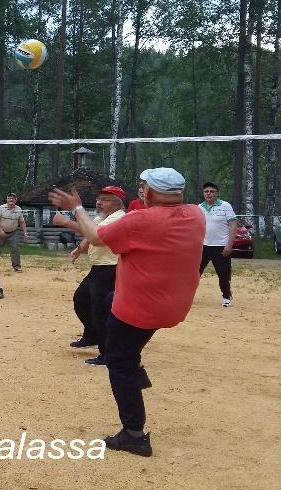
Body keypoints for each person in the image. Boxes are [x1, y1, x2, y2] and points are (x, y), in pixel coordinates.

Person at [48, 167, 205, 457]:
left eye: (144, 186)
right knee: (107, 301)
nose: (140, 191)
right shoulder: (196, 214)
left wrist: (76, 207)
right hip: (173, 305)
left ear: (153, 192)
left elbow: (95, 236)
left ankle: (133, 435)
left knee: (119, 362)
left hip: (139, 309)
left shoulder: (141, 220)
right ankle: (137, 371)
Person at [53, 186, 126, 365]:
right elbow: (90, 231)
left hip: (112, 268)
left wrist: (66, 221)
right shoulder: (102, 217)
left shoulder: (119, 218)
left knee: (100, 310)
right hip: (98, 267)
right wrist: (79, 249)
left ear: (117, 203)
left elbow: (98, 235)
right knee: (81, 299)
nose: (99, 202)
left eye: (105, 199)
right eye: (98, 198)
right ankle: (91, 335)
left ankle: (107, 353)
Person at [198, 182, 238, 307]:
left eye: (212, 191)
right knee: (194, 273)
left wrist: (229, 245)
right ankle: (187, 296)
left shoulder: (225, 206)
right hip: (203, 246)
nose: (209, 193)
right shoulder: (199, 207)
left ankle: (227, 296)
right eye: (206, 191)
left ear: (217, 193)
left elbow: (233, 226)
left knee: (223, 274)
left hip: (220, 246)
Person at [0, 193, 29, 272]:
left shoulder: (18, 209)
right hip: (0, 232)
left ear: (16, 200)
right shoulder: (1, 208)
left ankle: (17, 267)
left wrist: (25, 233)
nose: (11, 200)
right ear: (7, 200)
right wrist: (1, 231)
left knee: (15, 249)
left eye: (13, 198)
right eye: (9, 198)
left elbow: (22, 222)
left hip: (13, 232)